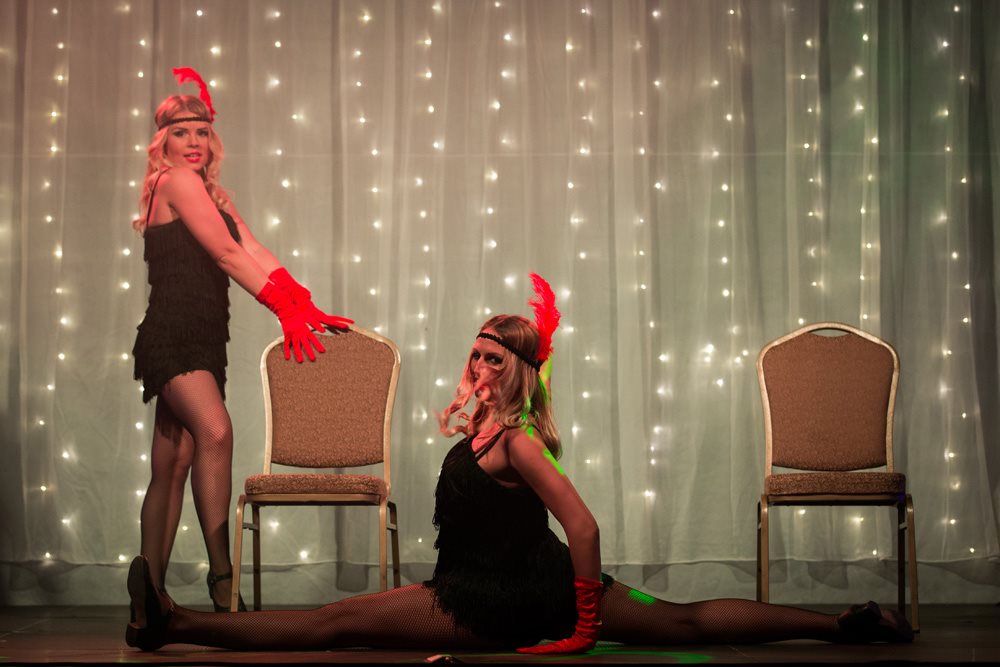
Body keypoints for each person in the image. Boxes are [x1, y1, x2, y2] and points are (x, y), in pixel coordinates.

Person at [125, 273, 912, 652]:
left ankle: (174, 622)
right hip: (511, 587)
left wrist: (584, 627)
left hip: (500, 602)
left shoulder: (520, 437)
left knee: (337, 622)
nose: (477, 364)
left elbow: (583, 525)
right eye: (475, 352)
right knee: (680, 617)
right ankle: (845, 625)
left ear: (520, 370)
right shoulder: (483, 428)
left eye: (494, 357)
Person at [131, 67, 351, 612]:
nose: (193, 142)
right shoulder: (174, 182)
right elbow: (227, 256)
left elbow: (252, 249)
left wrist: (301, 300)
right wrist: (281, 308)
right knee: (216, 431)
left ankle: (148, 598)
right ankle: (222, 581)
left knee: (174, 461)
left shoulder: (211, 195)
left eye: (202, 132)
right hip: (173, 335)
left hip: (205, 339)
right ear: (163, 143)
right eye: (181, 132)